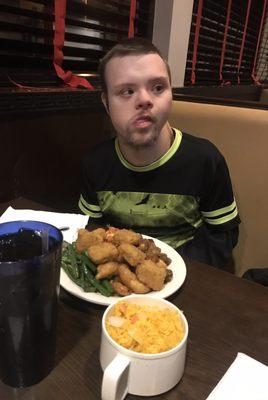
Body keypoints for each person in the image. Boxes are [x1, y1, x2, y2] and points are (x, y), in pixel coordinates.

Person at [78, 37, 240, 268]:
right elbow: (92, 228)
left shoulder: (205, 159)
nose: (144, 99)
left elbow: (223, 237)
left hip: (189, 279)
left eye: (157, 88)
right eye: (127, 91)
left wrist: (166, 269)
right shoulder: (95, 163)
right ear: (106, 102)